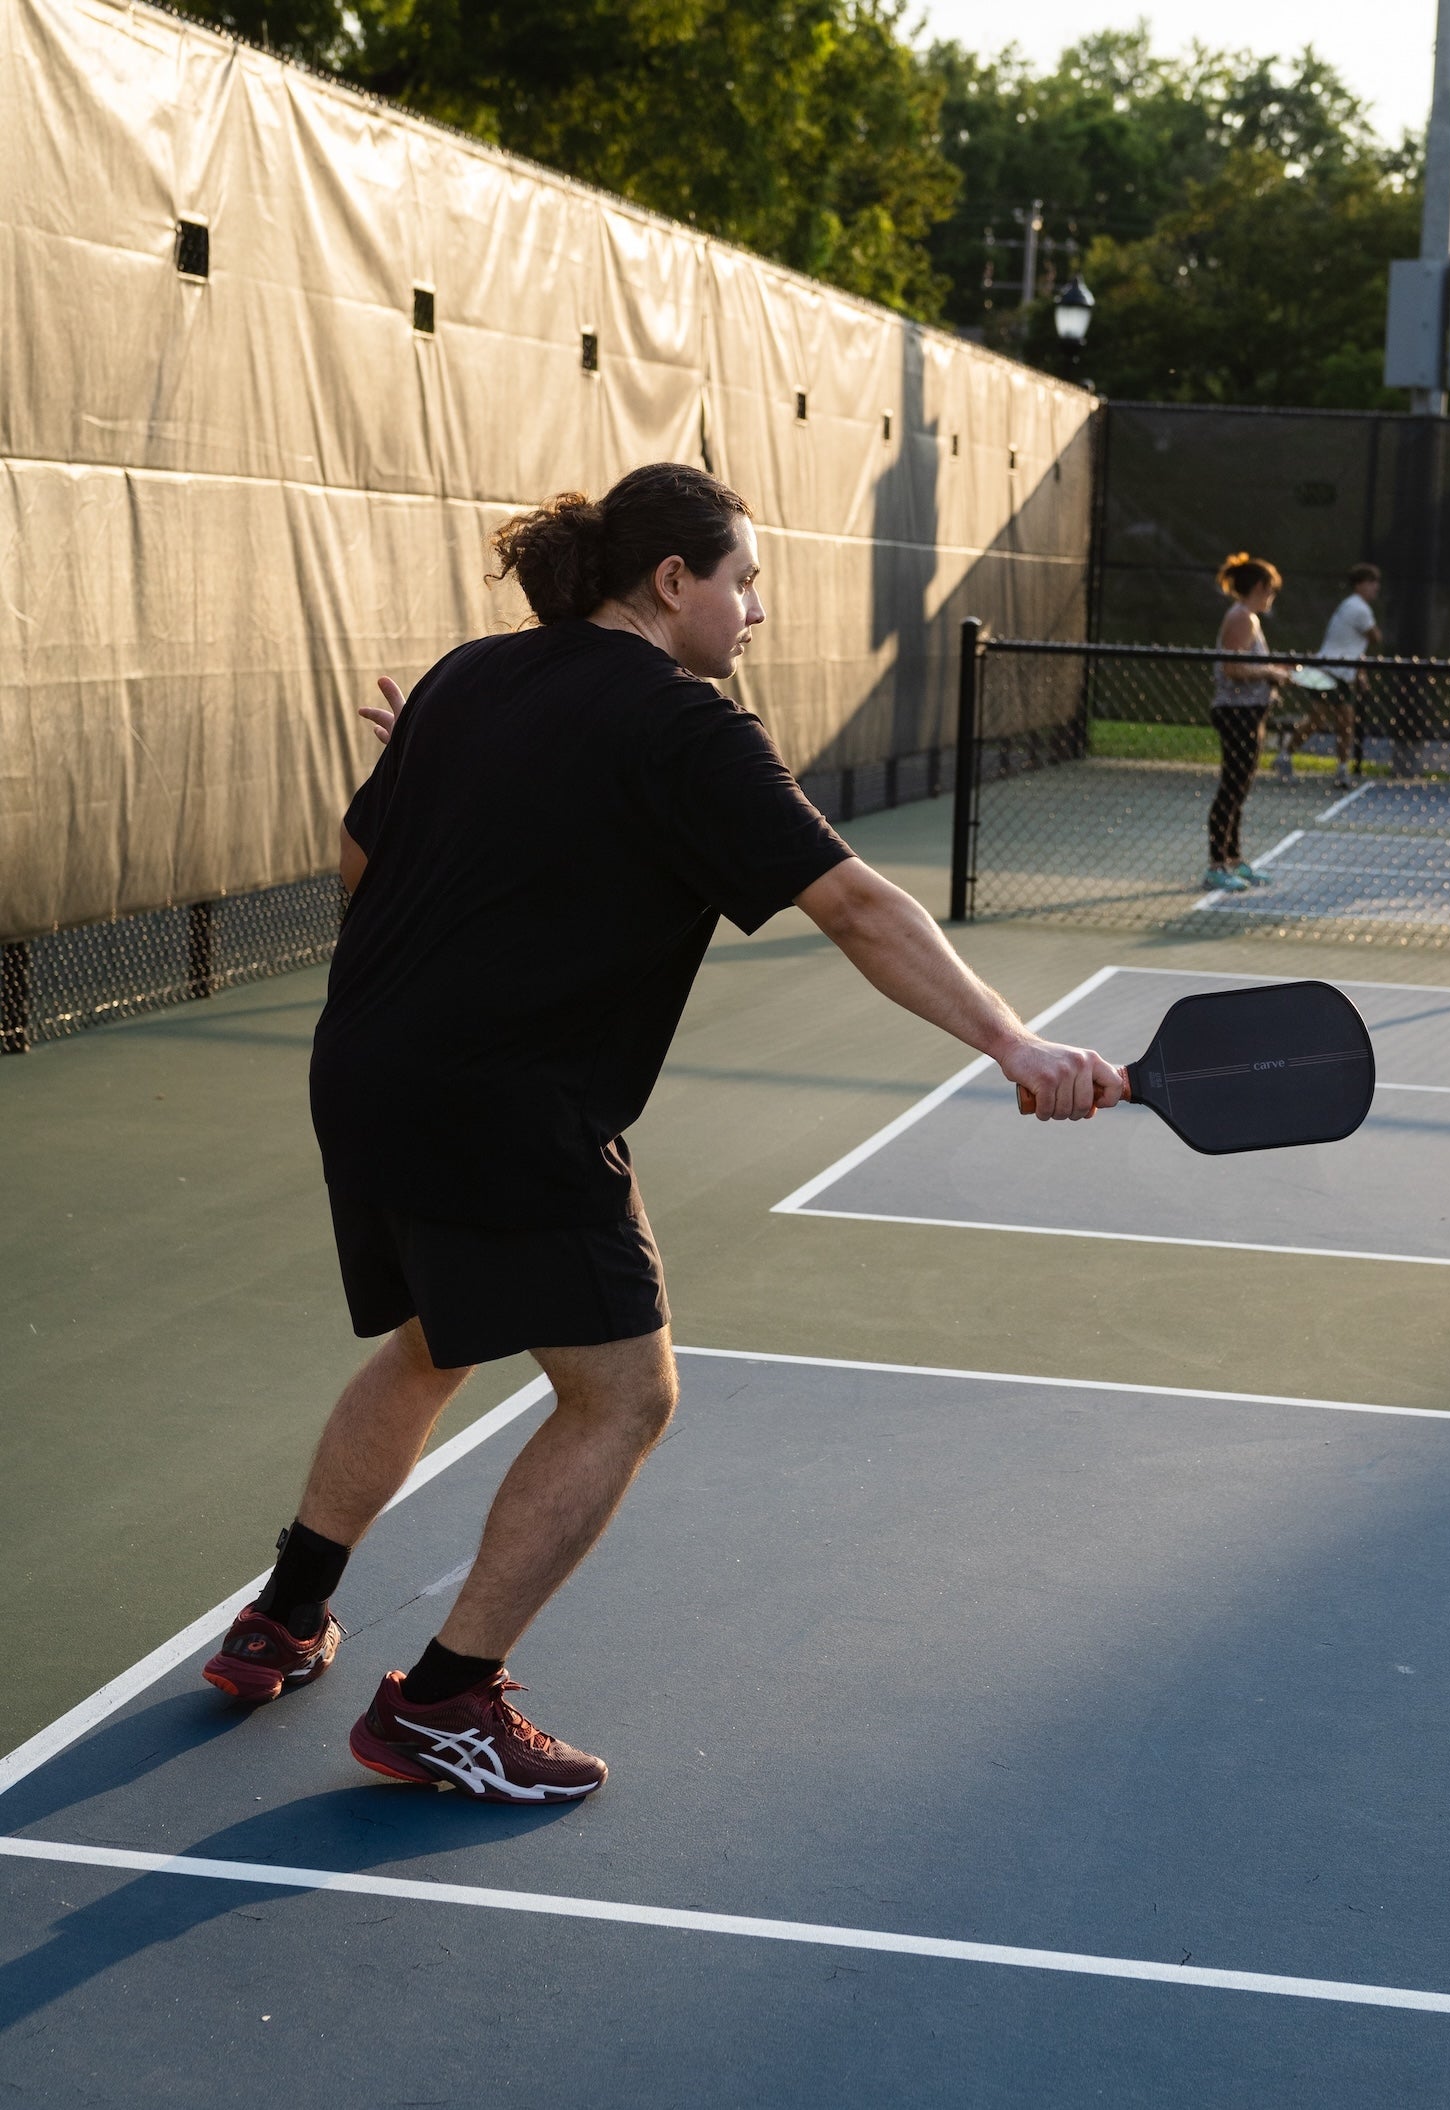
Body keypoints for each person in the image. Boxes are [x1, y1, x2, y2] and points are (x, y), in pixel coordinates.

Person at [201, 461, 1126, 1801]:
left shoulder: (467, 677)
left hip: (363, 1070)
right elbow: (859, 908)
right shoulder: (690, 733)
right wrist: (1015, 1041)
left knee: (435, 1334)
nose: (754, 611)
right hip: (505, 1102)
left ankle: (282, 1614)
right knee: (626, 1391)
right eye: (742, 581)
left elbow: (360, 870)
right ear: (674, 582)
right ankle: (443, 1704)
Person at [1205, 552, 1291, 893]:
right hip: (1236, 713)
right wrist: (1271, 672)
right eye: (1271, 590)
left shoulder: (1248, 618)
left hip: (1250, 712)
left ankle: (1234, 859)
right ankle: (1216, 865)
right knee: (1232, 788)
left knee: (1240, 789)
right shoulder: (1241, 617)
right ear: (1259, 586)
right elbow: (1232, 668)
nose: (1272, 597)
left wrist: (1275, 674)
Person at [1275, 563, 1381, 790]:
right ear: (1360, 585)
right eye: (1372, 582)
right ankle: (1294, 759)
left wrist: (1359, 672)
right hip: (1330, 671)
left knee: (1329, 721)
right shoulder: (1358, 608)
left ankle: (1291, 758)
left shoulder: (1350, 606)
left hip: (1336, 672)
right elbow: (1375, 636)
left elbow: (1352, 646)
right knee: (1337, 721)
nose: (1376, 588)